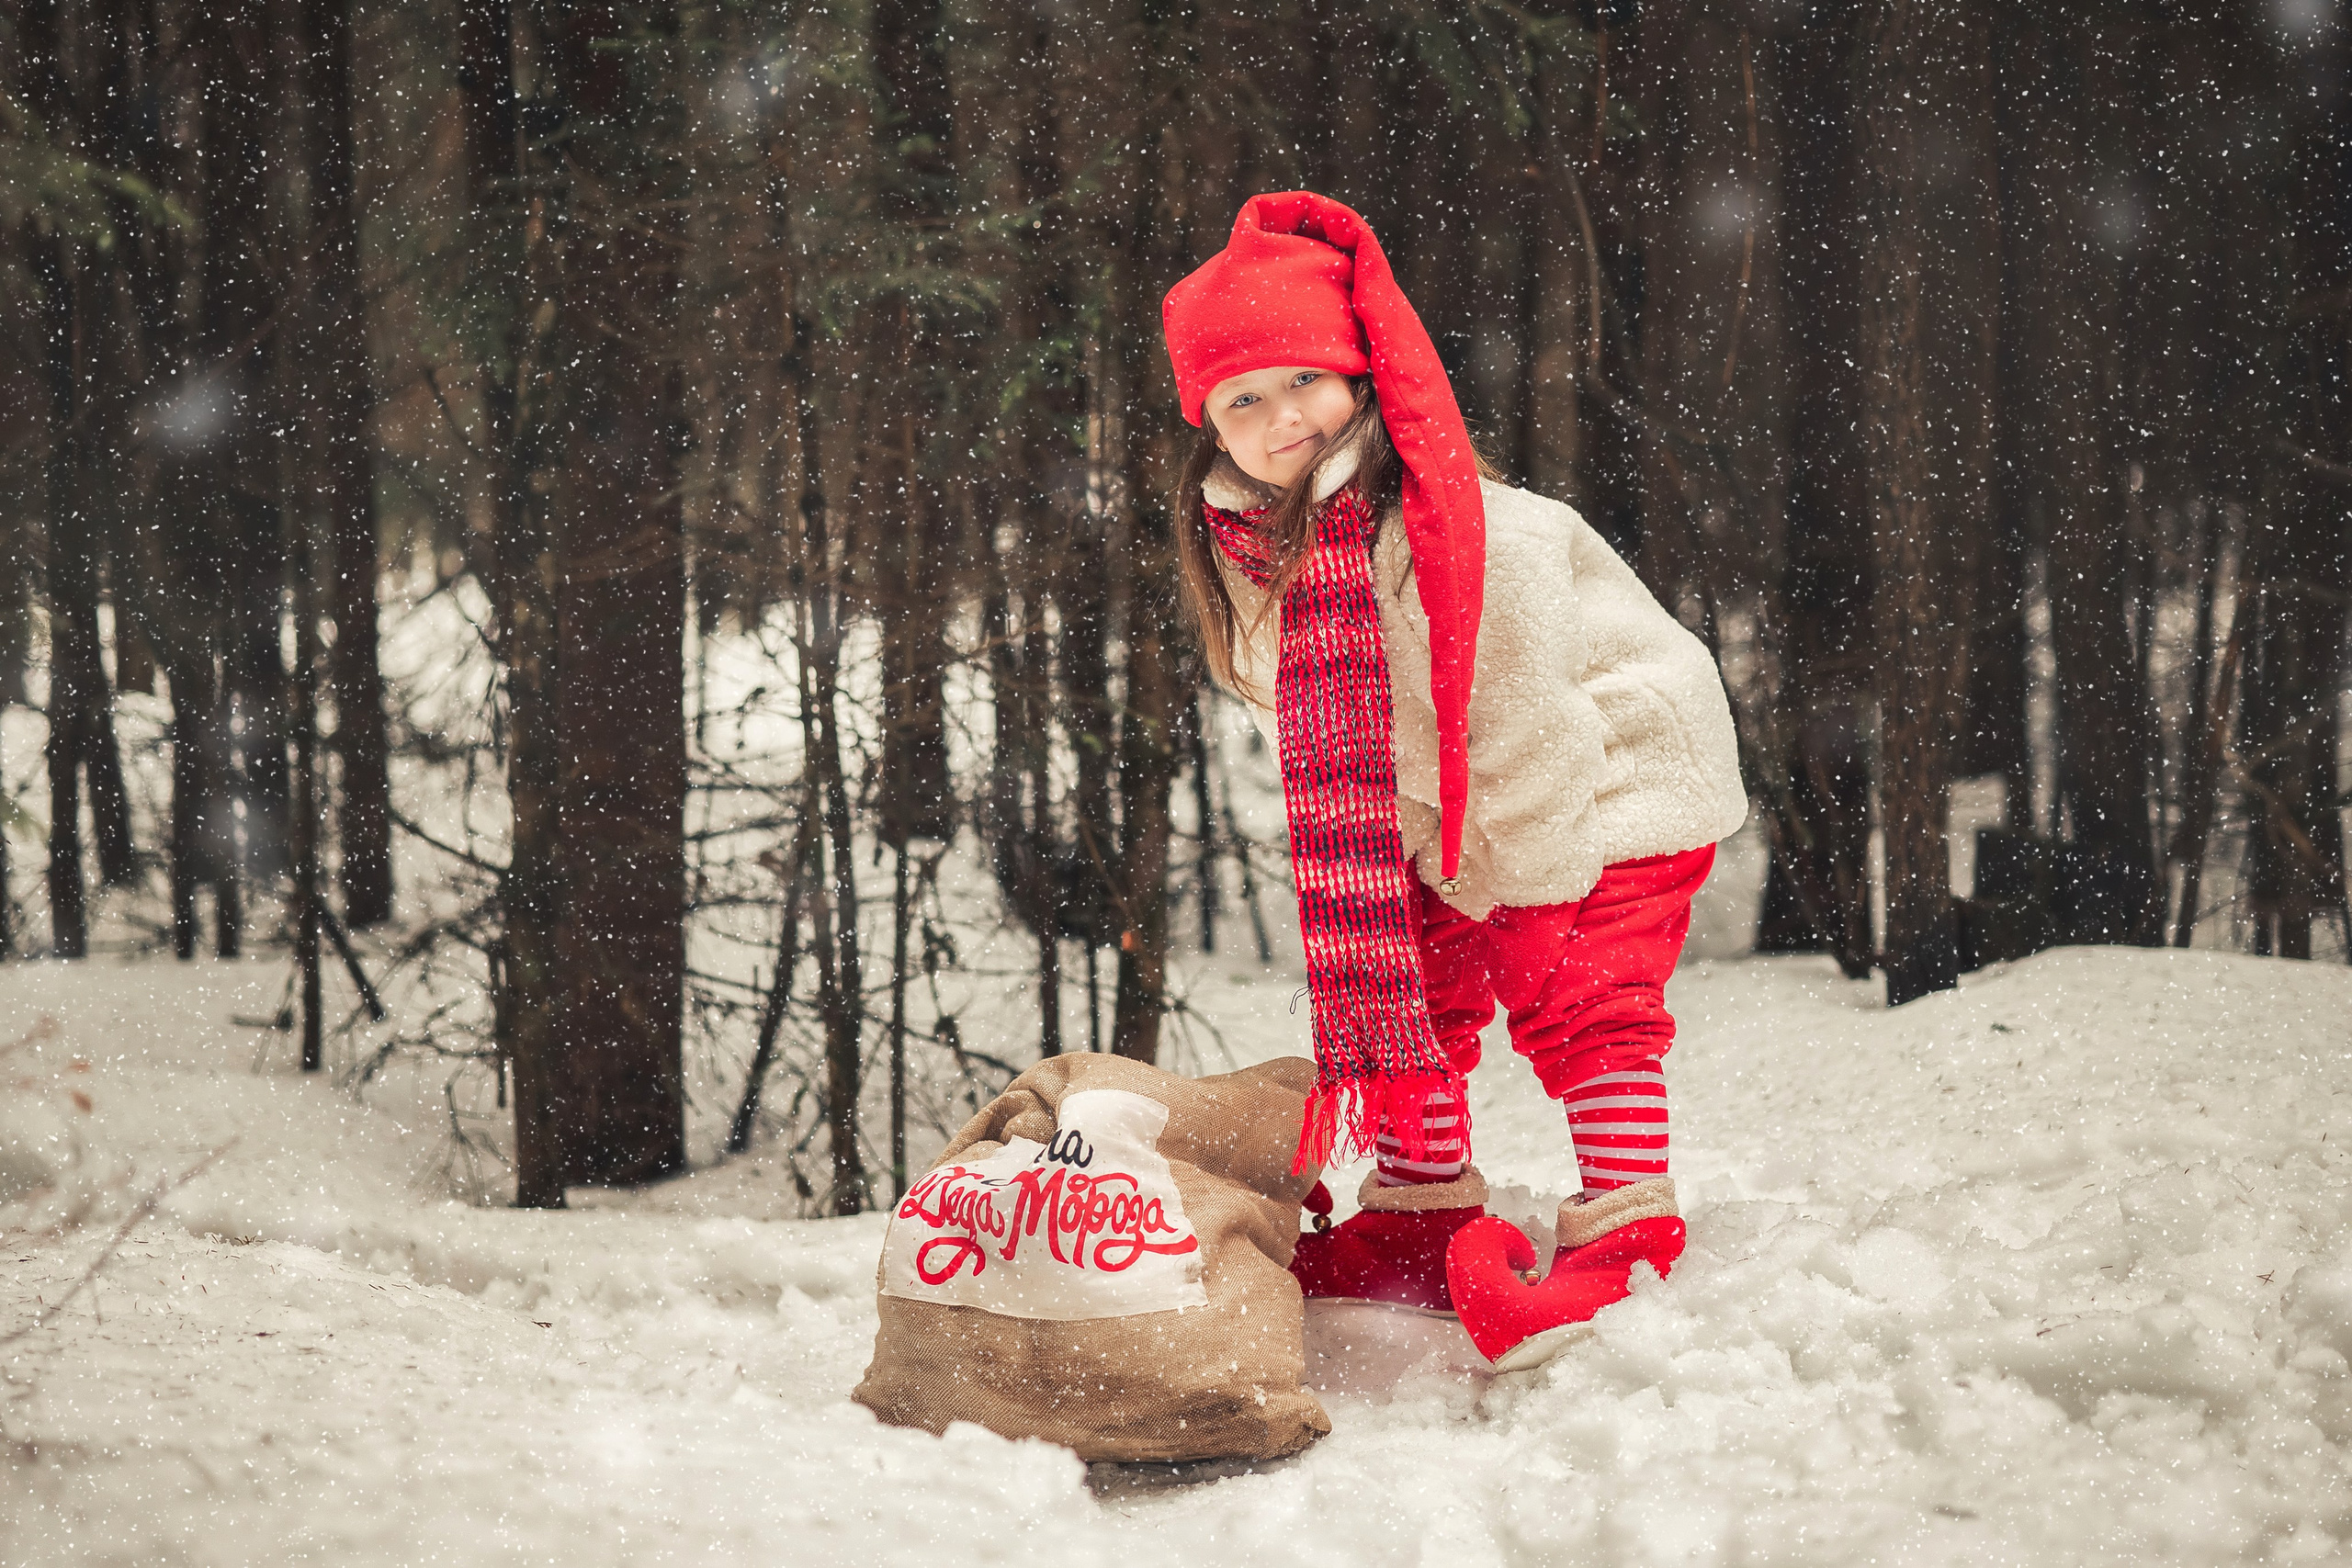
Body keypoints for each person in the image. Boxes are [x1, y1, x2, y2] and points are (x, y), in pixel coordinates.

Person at [1159, 192, 1747, 1368]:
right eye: (1242, 397)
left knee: (1578, 996)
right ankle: (1418, 1219)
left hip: (1617, 775)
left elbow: (1525, 727)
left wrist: (1527, 897)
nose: (1280, 416)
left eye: (1305, 381)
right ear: (1210, 429)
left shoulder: (1472, 535)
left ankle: (1628, 1231)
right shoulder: (1268, 559)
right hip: (1459, 804)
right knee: (1410, 984)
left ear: (1363, 381)